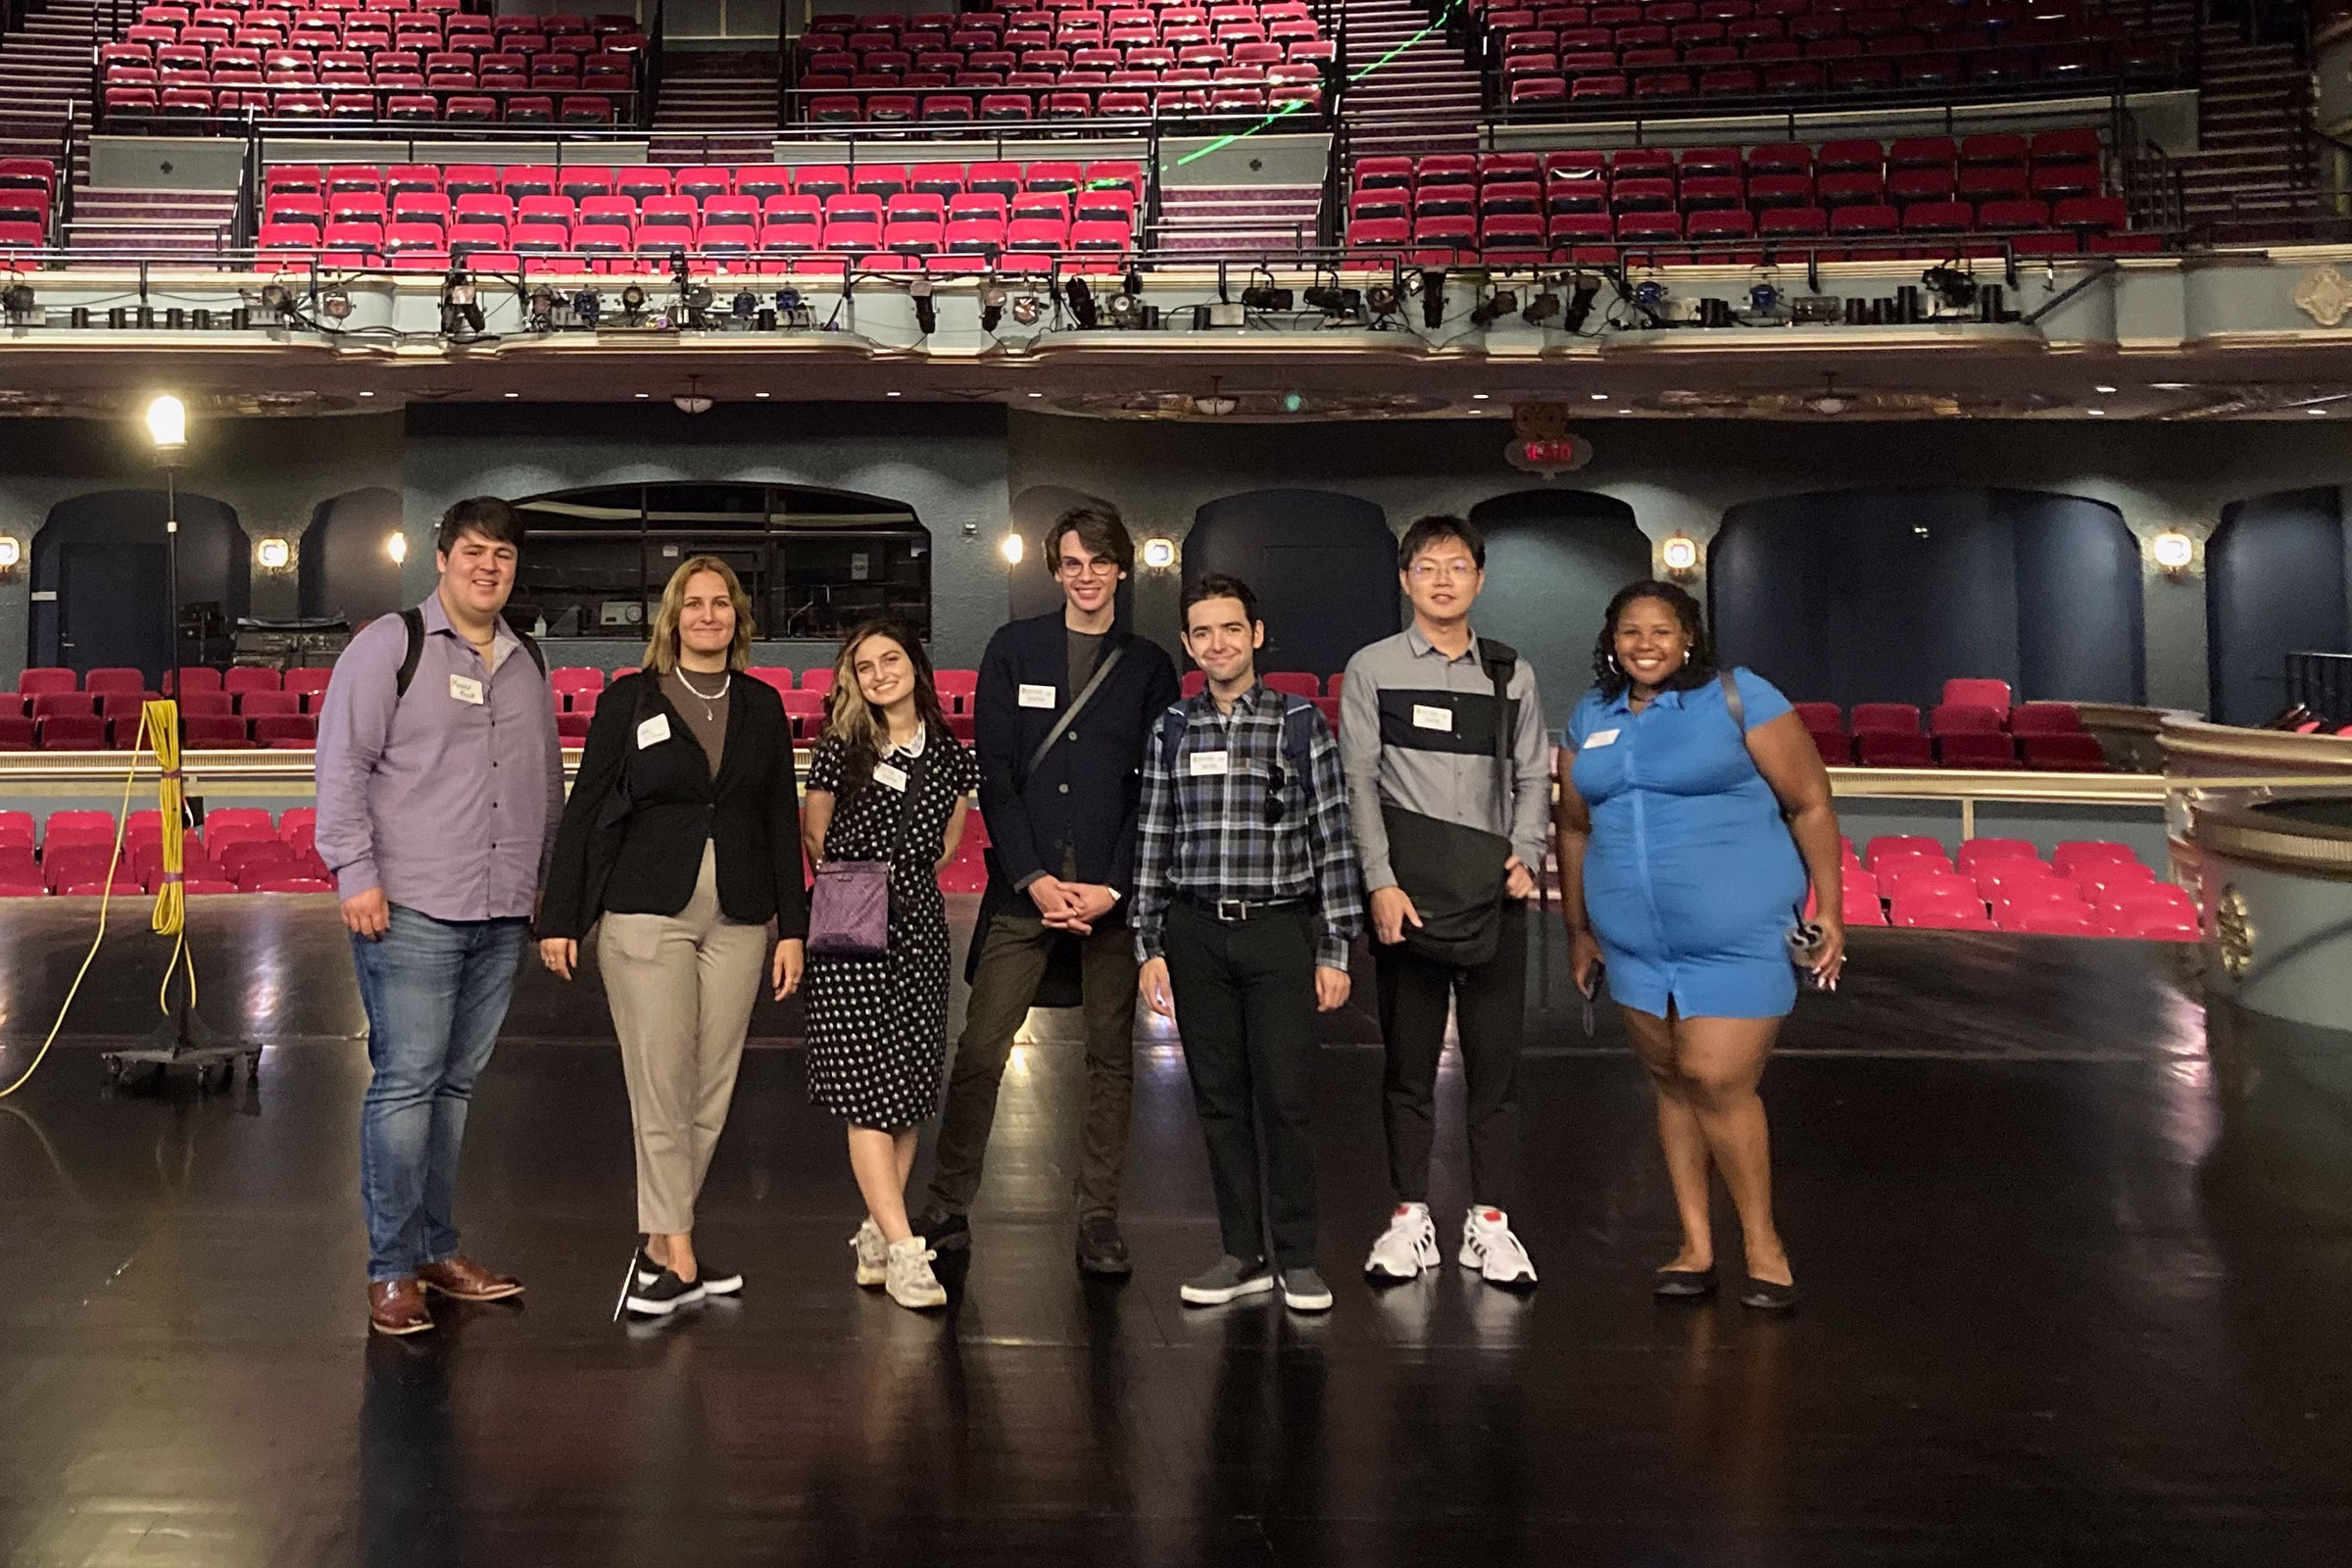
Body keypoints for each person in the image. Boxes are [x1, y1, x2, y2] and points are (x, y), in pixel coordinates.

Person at [1553, 580, 1844, 1312]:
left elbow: (1809, 801)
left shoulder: (1741, 697)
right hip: (1633, 946)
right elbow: (1575, 826)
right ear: (1611, 641)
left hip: (1739, 935)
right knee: (1674, 1083)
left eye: (1660, 630)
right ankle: (1694, 1244)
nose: (1644, 644)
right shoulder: (1592, 714)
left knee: (1717, 1079)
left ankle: (1763, 1244)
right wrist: (1578, 929)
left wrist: (1831, 910)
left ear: (1689, 637)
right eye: (1629, 632)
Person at [316, 497, 564, 1337]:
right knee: (405, 1084)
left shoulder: (527, 659)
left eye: (503, 555)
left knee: (453, 1088)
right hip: (411, 904)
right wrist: (356, 873)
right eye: (474, 552)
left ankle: (435, 1250)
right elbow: (343, 767)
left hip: (501, 910)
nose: (488, 567)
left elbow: (543, 783)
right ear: (442, 558)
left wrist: (542, 880)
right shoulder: (392, 646)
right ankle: (390, 1269)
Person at [536, 557, 808, 1319]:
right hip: (644, 914)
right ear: (672, 619)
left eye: (722, 604)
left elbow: (779, 821)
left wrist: (795, 927)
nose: (708, 615)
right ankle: (680, 1252)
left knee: (709, 1088)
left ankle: (661, 1244)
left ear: (738, 619)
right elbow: (586, 806)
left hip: (741, 920)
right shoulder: (631, 701)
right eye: (694, 604)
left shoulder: (759, 704)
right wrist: (560, 917)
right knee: (660, 1083)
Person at [914, 504, 1181, 1276]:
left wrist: (1116, 885)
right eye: (1072, 563)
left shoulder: (1149, 665)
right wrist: (1031, 877)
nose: (1087, 576)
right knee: (980, 1048)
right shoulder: (1013, 648)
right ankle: (949, 1202)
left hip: (1111, 894)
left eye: (1100, 562)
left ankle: (1099, 1216)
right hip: (1021, 889)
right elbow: (994, 775)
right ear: (1054, 569)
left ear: (1121, 569)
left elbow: (1155, 792)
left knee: (1109, 1059)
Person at [1134, 573, 1365, 1314]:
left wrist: (1334, 948)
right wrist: (1149, 943)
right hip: (1196, 932)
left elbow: (1334, 840)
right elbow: (1153, 838)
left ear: (1257, 635)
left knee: (1288, 1100)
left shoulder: (1301, 725)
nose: (1218, 644)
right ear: (1187, 643)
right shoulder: (1172, 727)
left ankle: (1297, 1254)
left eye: (1231, 629)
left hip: (1279, 931)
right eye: (1202, 633)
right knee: (1219, 1101)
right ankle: (1243, 1251)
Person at [1340, 514, 1551, 1290]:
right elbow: (1358, 781)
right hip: (1409, 896)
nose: (1441, 580)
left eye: (1457, 566)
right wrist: (1379, 882)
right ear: (1405, 580)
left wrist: (1526, 854)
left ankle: (1489, 1223)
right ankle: (1408, 1217)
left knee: (1498, 1068)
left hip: (1494, 894)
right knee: (1407, 1066)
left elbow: (1535, 773)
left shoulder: (1512, 671)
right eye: (1426, 567)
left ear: (1479, 578)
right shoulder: (1372, 668)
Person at [800, 621, 981, 1312]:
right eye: (865, 666)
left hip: (920, 923)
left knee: (906, 1087)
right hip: (851, 913)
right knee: (866, 1087)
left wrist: (902, 883)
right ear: (853, 680)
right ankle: (907, 1251)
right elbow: (815, 833)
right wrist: (865, 884)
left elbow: (949, 840)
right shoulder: (841, 745)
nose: (880, 674)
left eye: (891, 659)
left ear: (915, 666)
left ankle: (878, 1232)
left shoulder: (949, 754)